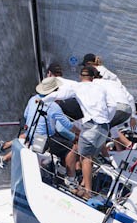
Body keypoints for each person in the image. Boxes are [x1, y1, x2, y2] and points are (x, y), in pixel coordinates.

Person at [42, 65, 116, 199]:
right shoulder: (101, 88)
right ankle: (83, 186)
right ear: (93, 77)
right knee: (90, 157)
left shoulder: (77, 86)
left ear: (81, 77)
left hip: (91, 125)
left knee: (85, 158)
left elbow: (59, 94)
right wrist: (106, 119)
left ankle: (88, 191)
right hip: (104, 127)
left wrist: (42, 100)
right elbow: (113, 105)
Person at [0, 77, 78, 169]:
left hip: (31, 135)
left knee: (25, 138)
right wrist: (79, 133)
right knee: (72, 148)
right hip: (43, 140)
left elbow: (26, 116)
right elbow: (67, 126)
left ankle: (4, 155)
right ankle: (69, 178)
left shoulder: (32, 99)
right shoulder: (54, 106)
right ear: (54, 91)